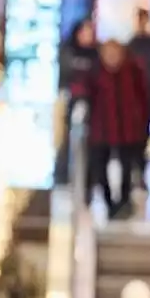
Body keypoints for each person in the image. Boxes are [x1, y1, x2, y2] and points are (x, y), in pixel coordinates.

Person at [83, 40, 150, 217]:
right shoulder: (95, 72)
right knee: (100, 166)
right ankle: (108, 200)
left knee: (127, 165)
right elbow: (88, 96)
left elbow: (143, 96)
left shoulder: (132, 70)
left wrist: (143, 121)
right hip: (101, 127)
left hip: (127, 127)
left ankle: (124, 201)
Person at [55, 18, 98, 184]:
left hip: (91, 105)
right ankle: (63, 175)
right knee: (65, 141)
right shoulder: (68, 52)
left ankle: (87, 178)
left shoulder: (95, 55)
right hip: (69, 102)